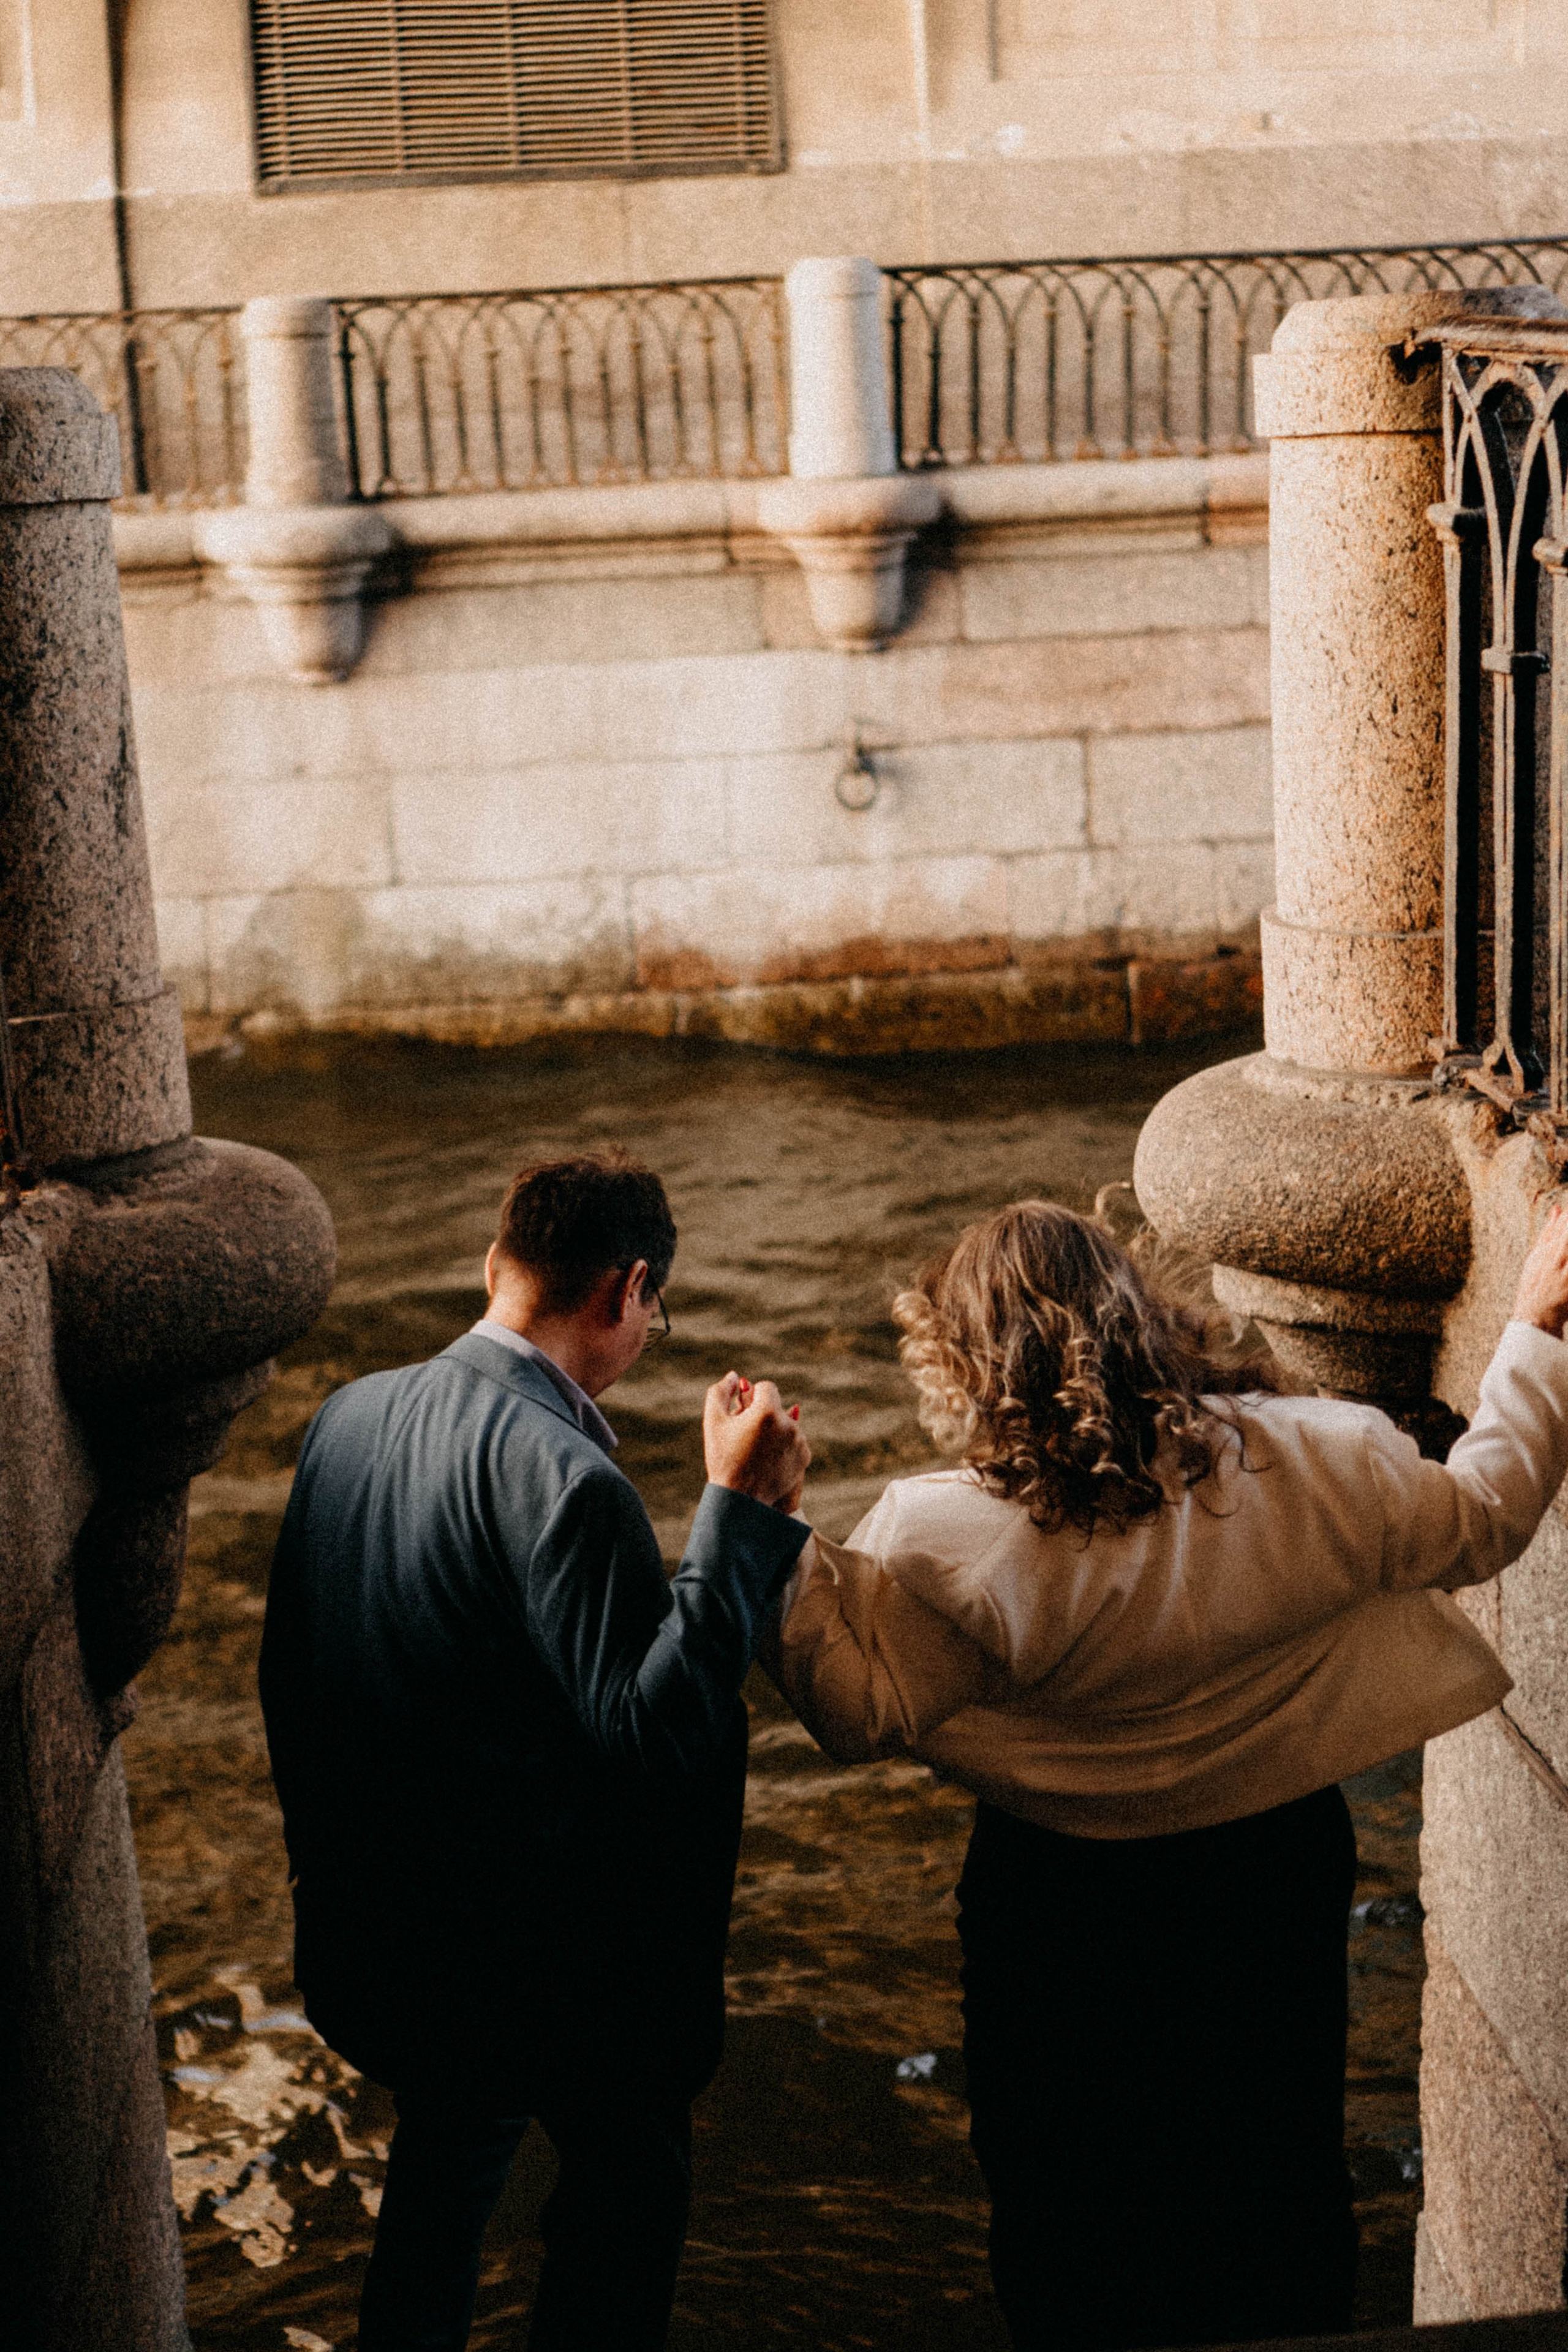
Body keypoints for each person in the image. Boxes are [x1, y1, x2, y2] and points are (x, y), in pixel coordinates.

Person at [766, 1196, 1568, 2351]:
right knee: (1274, 2167)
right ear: (1141, 1312)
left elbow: (853, 1709)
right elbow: (1488, 1516)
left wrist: (764, 1516)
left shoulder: (941, 1539)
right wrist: (1535, 1326)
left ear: (961, 1366)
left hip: (1057, 1901)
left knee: (1066, 2204)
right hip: (1266, 1862)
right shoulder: (1319, 1459)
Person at [258, 1152, 811, 2352]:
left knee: (440, 2187)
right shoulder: (568, 1479)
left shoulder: (346, 1415)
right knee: (629, 2191)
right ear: (626, 1292)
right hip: (534, 1971)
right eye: (653, 1316)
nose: (644, 1333)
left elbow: (292, 1673)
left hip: (381, 1934)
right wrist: (737, 1516)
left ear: (494, 1266)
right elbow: (651, 1734)